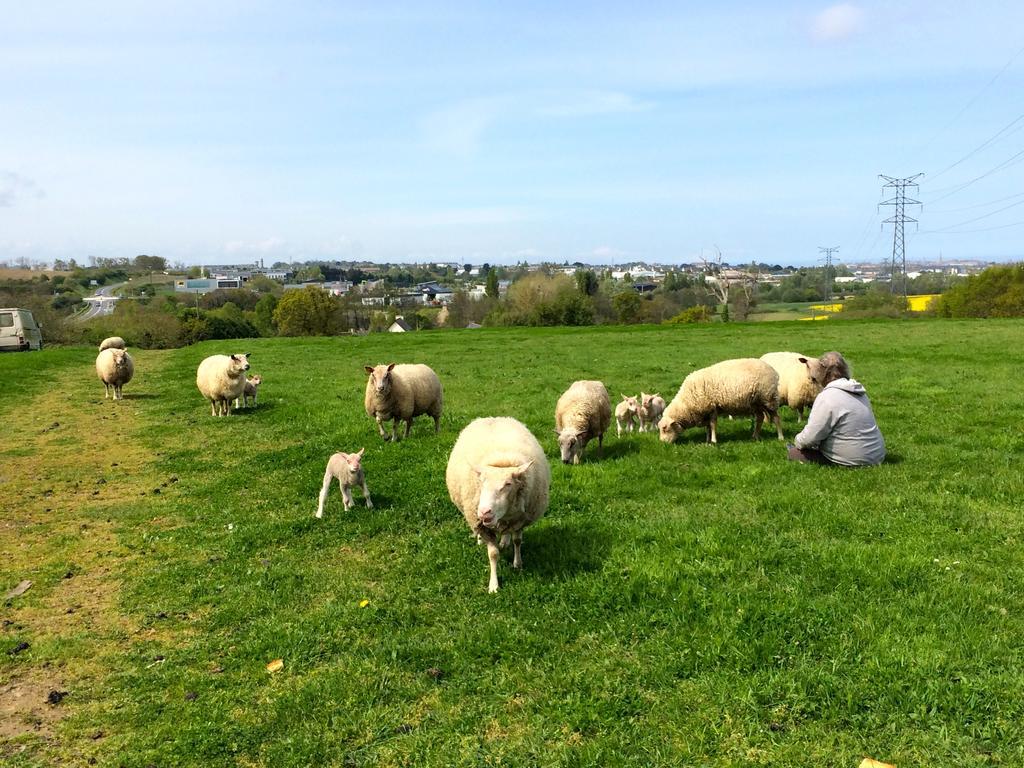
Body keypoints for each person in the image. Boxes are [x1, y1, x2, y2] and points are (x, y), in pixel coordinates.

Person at [787, 351, 886, 467]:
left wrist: (797, 441)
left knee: (794, 453)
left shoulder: (827, 397)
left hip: (853, 459)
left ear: (823, 372)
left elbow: (811, 437)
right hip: (877, 456)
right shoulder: (860, 392)